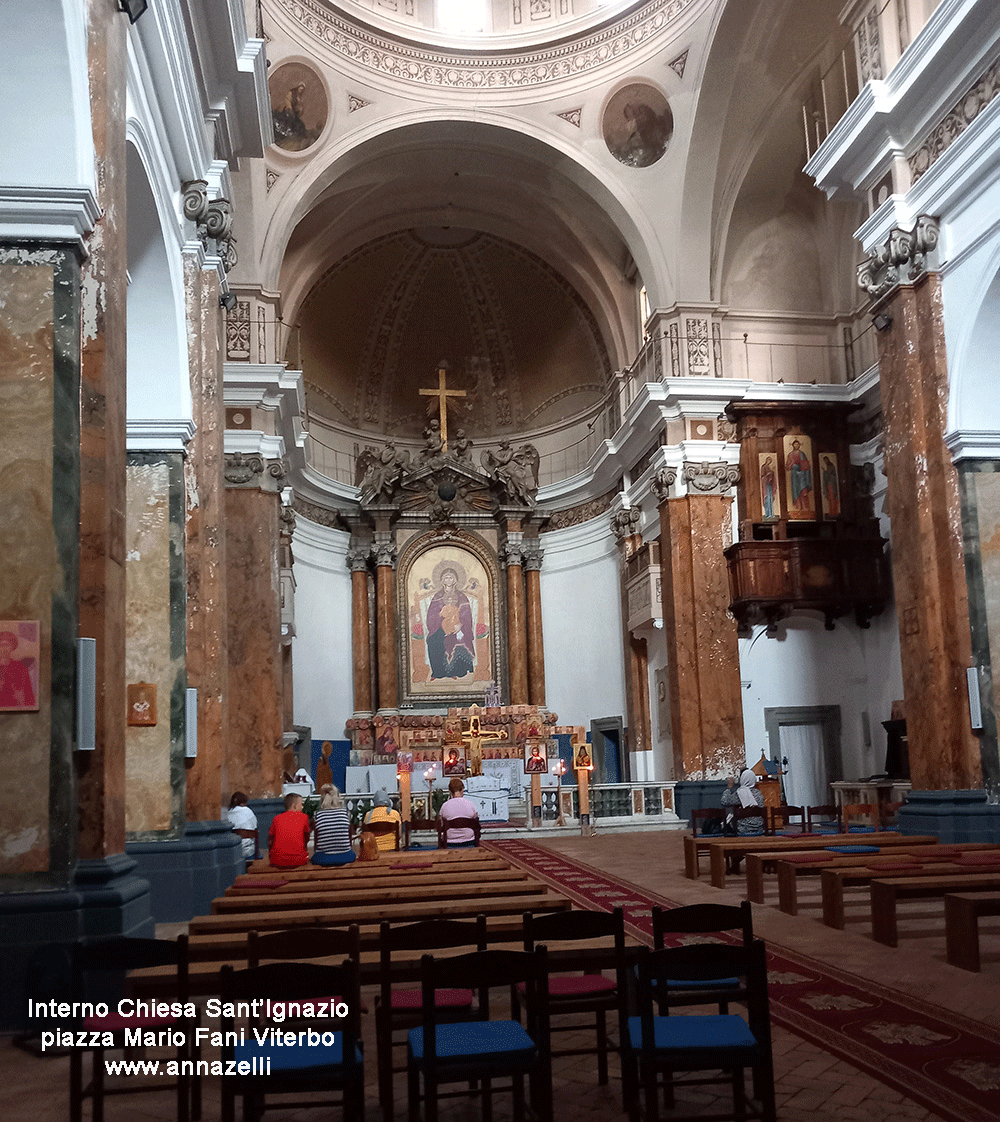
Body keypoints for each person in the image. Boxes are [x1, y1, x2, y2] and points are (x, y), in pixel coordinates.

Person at [425, 567, 475, 680]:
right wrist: (442, 623)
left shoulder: (462, 596)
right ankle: (438, 672)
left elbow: (466, 613)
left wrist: (460, 624)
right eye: (446, 578)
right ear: (442, 581)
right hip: (439, 627)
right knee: (434, 640)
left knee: (458, 639)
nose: (448, 580)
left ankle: (454, 670)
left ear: (455, 580)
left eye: (451, 578)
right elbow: (432, 614)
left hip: (458, 627)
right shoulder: (437, 597)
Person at [311, 784, 356, 866]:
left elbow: (316, 840)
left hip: (323, 858)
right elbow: (349, 837)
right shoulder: (345, 813)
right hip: (345, 856)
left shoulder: (318, 815)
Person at [268, 793, 311, 867]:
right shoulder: (304, 817)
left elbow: (270, 839)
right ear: (294, 805)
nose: (302, 807)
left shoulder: (276, 818)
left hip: (277, 860)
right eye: (301, 804)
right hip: (299, 859)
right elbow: (306, 837)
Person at [438, 777, 479, 847]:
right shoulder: (471, 804)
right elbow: (476, 822)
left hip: (450, 841)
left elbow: (441, 824)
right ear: (462, 789)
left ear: (450, 791)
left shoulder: (445, 806)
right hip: (468, 840)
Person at [720, 770, 765, 836]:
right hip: (759, 828)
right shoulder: (758, 793)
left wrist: (729, 788)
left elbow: (724, 801)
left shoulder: (740, 793)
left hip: (743, 829)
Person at [0, 629, 35, 709]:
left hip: (16, 706)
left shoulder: (20, 667)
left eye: (7, 645)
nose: (4, 649)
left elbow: (28, 693)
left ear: (12, 647)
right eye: (1, 645)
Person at [227, 792, 258, 860]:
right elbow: (255, 826)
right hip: (248, 850)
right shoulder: (248, 811)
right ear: (243, 801)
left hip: (233, 851)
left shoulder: (228, 813)